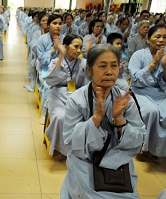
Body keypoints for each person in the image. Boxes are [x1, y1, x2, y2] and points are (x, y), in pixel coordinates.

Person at [60, 44, 145, 198]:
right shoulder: (77, 100)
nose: (109, 72)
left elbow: (138, 141)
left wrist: (120, 120)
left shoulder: (125, 100)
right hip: (85, 160)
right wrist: (96, 118)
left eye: (114, 66)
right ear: (89, 70)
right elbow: (70, 141)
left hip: (117, 160)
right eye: (102, 66)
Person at [45, 34, 88, 156]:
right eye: (75, 47)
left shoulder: (83, 62)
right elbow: (50, 81)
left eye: (81, 47)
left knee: (85, 118)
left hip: (77, 96)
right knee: (60, 117)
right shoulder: (56, 61)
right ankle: (63, 148)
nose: (79, 50)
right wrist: (60, 56)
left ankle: (79, 148)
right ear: (65, 47)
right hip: (58, 94)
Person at [128, 24, 166, 158]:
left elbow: (164, 81)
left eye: (164, 37)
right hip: (141, 90)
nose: (161, 40)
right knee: (151, 111)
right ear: (148, 39)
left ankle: (158, 148)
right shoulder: (139, 55)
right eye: (158, 36)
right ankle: (143, 147)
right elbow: (135, 79)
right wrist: (153, 63)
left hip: (160, 91)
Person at [36, 14, 62, 124]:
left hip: (61, 68)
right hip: (45, 69)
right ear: (49, 25)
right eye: (54, 23)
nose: (58, 26)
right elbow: (41, 59)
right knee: (48, 87)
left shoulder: (64, 38)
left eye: (60, 24)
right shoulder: (42, 39)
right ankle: (44, 113)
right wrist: (53, 50)